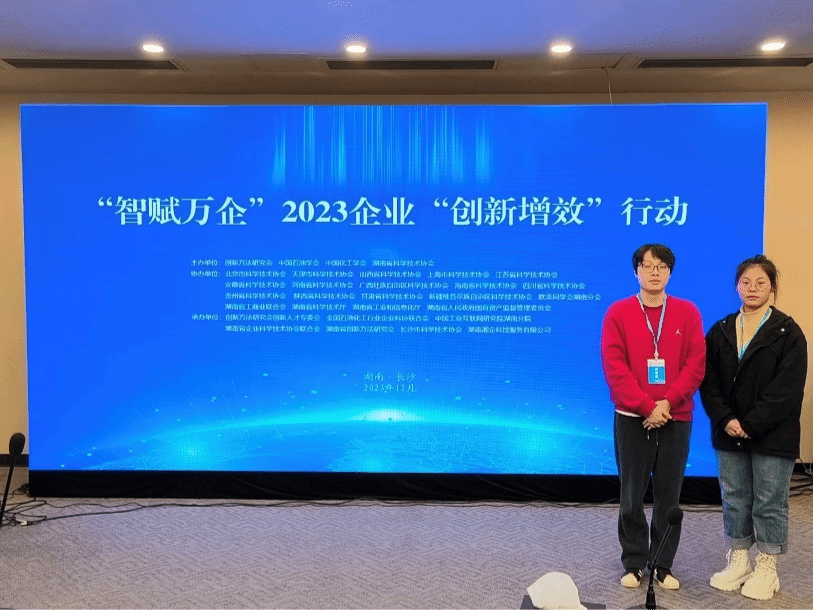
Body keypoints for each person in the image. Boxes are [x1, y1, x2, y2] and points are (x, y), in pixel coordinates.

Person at [700, 255, 807, 601]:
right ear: (736, 286)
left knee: (769, 501)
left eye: (761, 283)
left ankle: (767, 568)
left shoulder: (788, 332)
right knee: (735, 498)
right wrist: (727, 420)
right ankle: (740, 560)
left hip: (773, 435)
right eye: (745, 282)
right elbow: (708, 382)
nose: (752, 289)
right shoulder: (720, 330)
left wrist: (750, 423)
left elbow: (787, 389)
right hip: (728, 432)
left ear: (772, 287)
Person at [600, 244, 705, 590]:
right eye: (647, 265)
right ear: (636, 272)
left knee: (669, 496)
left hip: (676, 418)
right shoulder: (618, 313)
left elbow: (695, 365)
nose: (654, 272)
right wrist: (648, 407)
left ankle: (662, 564)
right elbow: (615, 368)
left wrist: (667, 404)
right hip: (632, 417)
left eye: (661, 266)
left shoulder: (688, 312)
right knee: (631, 495)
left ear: (670, 272)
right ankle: (633, 562)